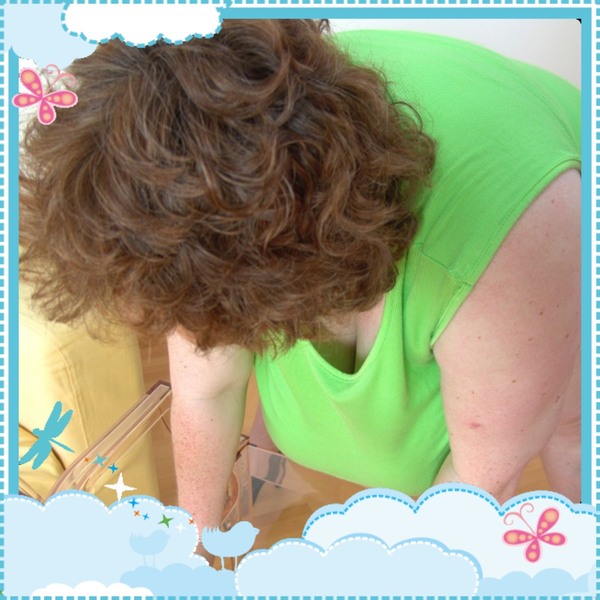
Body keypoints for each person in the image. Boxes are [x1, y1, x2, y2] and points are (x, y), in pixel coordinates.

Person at [19, 20, 581, 536]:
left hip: (531, 229)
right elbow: (207, 388)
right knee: (275, 430)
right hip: (309, 224)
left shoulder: (516, 246)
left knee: (567, 426)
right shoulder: (188, 188)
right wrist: (193, 545)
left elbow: (479, 485)